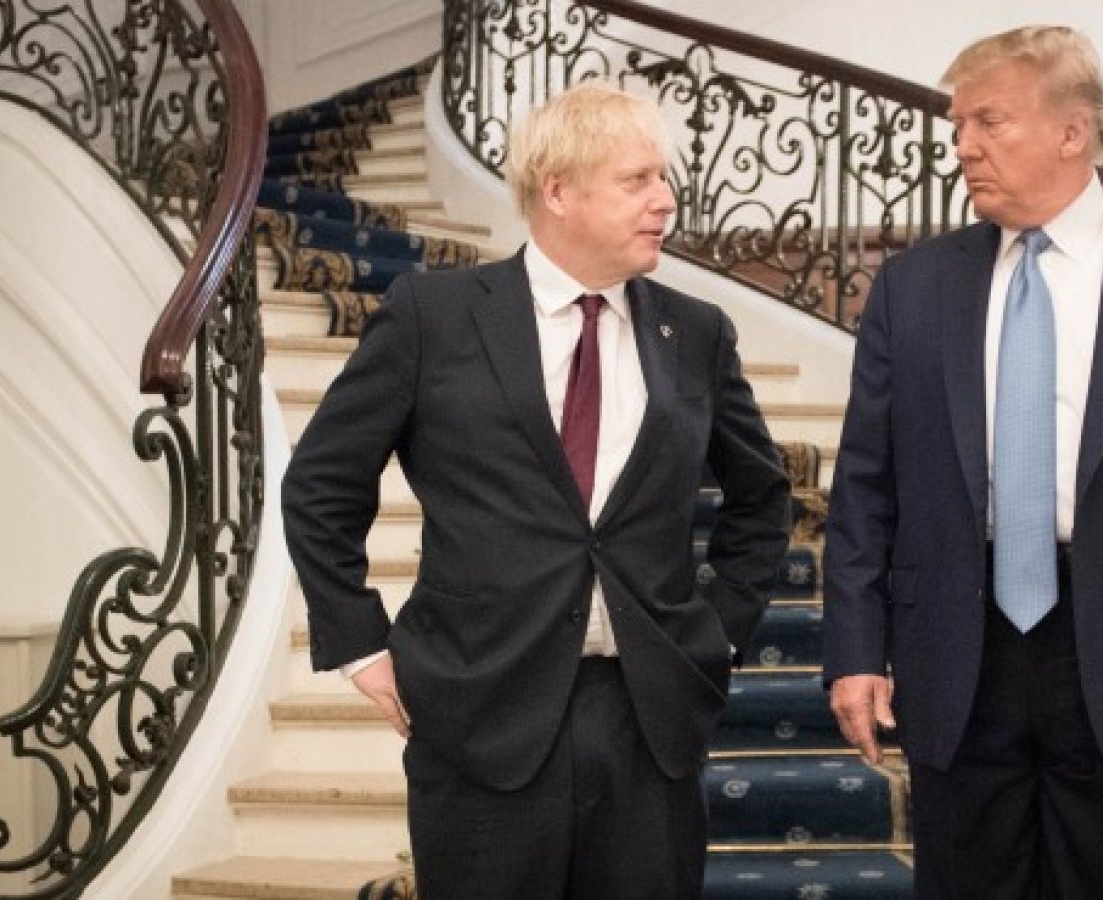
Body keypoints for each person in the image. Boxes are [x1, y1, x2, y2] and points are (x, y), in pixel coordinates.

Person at [282, 80, 791, 900]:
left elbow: (762, 496)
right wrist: (358, 641)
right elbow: (321, 484)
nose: (665, 200)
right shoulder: (432, 315)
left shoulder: (696, 332)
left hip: (647, 721)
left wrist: (716, 630)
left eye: (664, 178)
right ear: (558, 191)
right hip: (479, 715)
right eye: (637, 180)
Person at [822, 25, 1103, 898]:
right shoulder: (915, 286)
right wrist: (854, 650)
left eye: (989, 121)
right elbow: (864, 488)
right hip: (957, 645)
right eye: (960, 125)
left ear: (1073, 132)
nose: (964, 146)